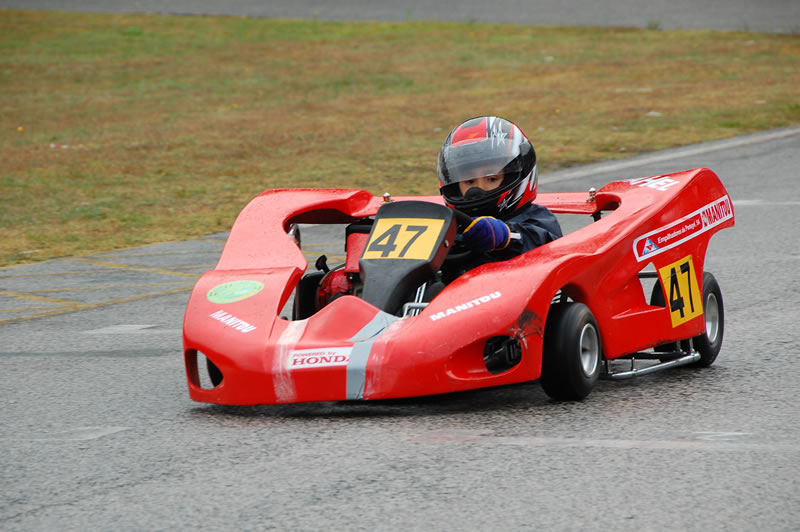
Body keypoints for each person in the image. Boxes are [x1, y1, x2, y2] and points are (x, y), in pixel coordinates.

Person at [437, 116, 562, 279]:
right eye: (469, 181)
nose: (478, 189)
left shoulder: (537, 218)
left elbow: (548, 247)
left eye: (491, 179)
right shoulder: (450, 226)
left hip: (514, 295)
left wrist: (506, 236)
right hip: (449, 296)